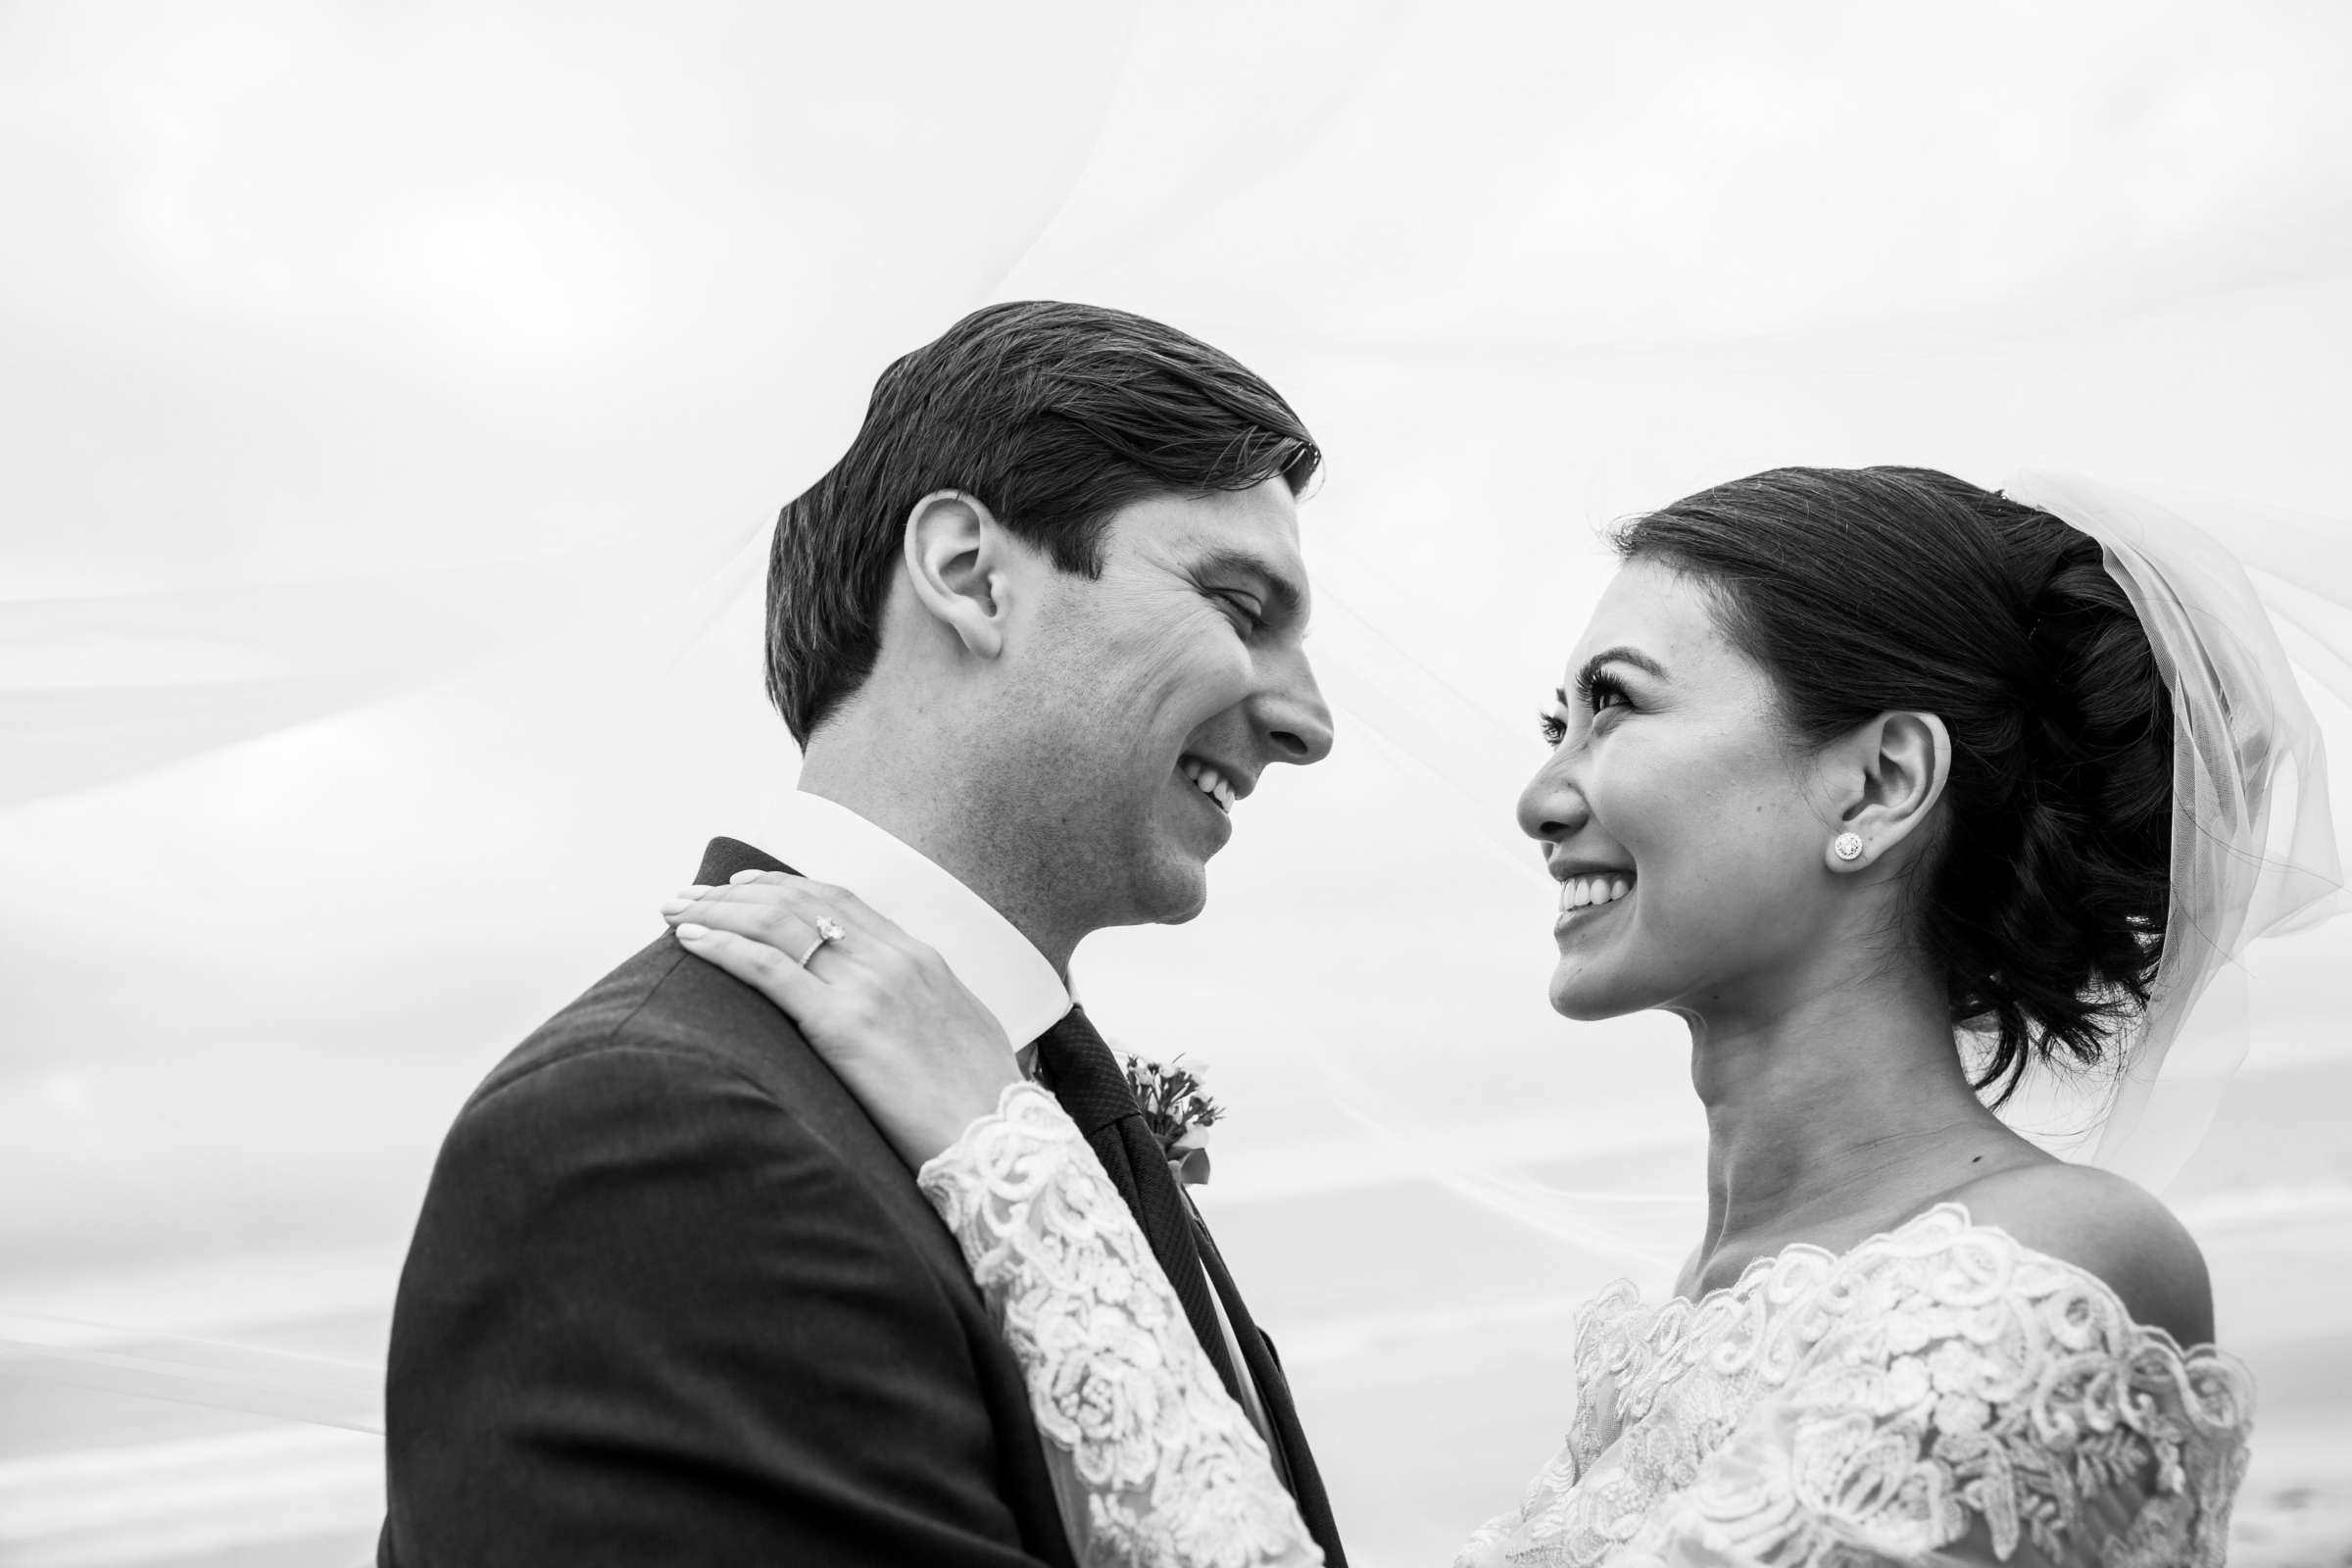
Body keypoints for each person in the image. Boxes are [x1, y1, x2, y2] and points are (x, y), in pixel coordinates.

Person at [662, 466, 2339, 1566]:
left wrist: (1009, 1166)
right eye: (1556, 716)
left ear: (1883, 780)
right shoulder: (1689, 1321)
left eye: (1614, 707)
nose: (1541, 794)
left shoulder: (2049, 1279)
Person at [378, 301, 1349, 1567]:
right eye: (1236, 601)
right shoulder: (653, 1137)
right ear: (966, 573)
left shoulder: (1033, 1105)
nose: (1309, 721)